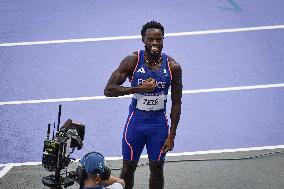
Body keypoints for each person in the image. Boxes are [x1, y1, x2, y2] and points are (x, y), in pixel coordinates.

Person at [104, 20, 182, 189]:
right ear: (143, 40)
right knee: (128, 168)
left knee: (157, 169)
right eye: (150, 39)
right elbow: (108, 90)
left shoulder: (173, 67)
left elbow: (176, 102)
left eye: (158, 39)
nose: (154, 43)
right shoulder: (132, 60)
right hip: (136, 124)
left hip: (159, 126)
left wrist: (172, 135)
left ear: (163, 40)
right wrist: (139, 88)